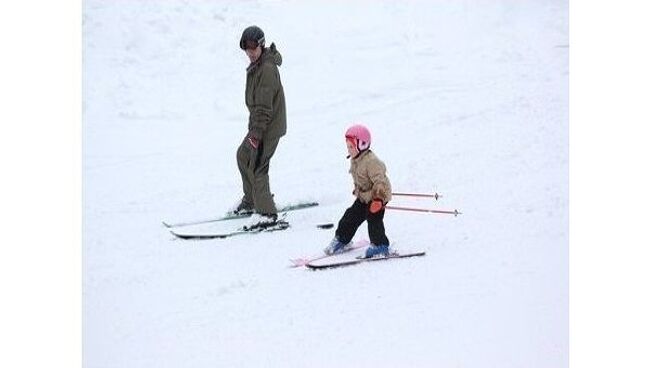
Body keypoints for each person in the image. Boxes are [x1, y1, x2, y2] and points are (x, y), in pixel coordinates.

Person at [233, 25, 286, 226]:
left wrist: (256, 134)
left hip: (267, 128)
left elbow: (264, 108)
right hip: (259, 125)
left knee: (257, 166)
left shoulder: (267, 69)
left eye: (253, 48)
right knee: (243, 155)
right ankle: (251, 200)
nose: (249, 53)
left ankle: (266, 213)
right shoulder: (258, 65)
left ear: (261, 45)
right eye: (246, 48)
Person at [324, 124, 394, 258]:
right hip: (364, 197)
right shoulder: (356, 159)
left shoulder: (372, 162)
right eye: (348, 146)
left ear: (362, 145)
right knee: (350, 217)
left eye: (351, 146)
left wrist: (378, 200)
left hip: (376, 198)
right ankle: (342, 239)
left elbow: (381, 181)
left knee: (374, 221)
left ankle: (380, 245)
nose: (349, 150)